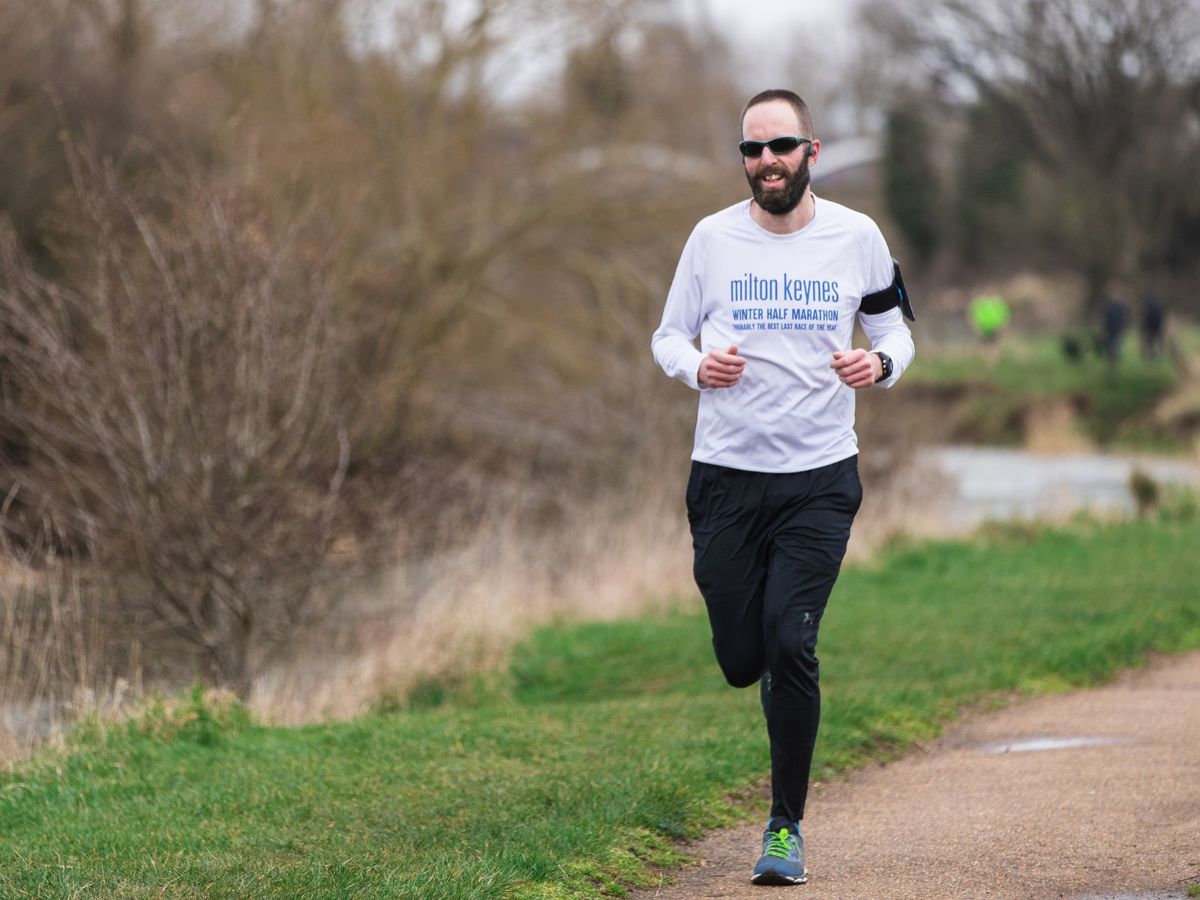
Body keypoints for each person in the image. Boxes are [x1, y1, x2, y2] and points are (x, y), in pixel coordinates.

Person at [651, 89, 915, 887]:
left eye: (780, 146)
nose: (765, 161)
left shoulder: (856, 237)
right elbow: (667, 335)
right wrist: (698, 365)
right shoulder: (711, 240)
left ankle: (784, 828)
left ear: (812, 152)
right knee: (743, 658)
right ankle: (764, 658)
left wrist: (880, 365)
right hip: (726, 480)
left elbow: (895, 329)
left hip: (819, 481)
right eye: (751, 150)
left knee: (792, 645)